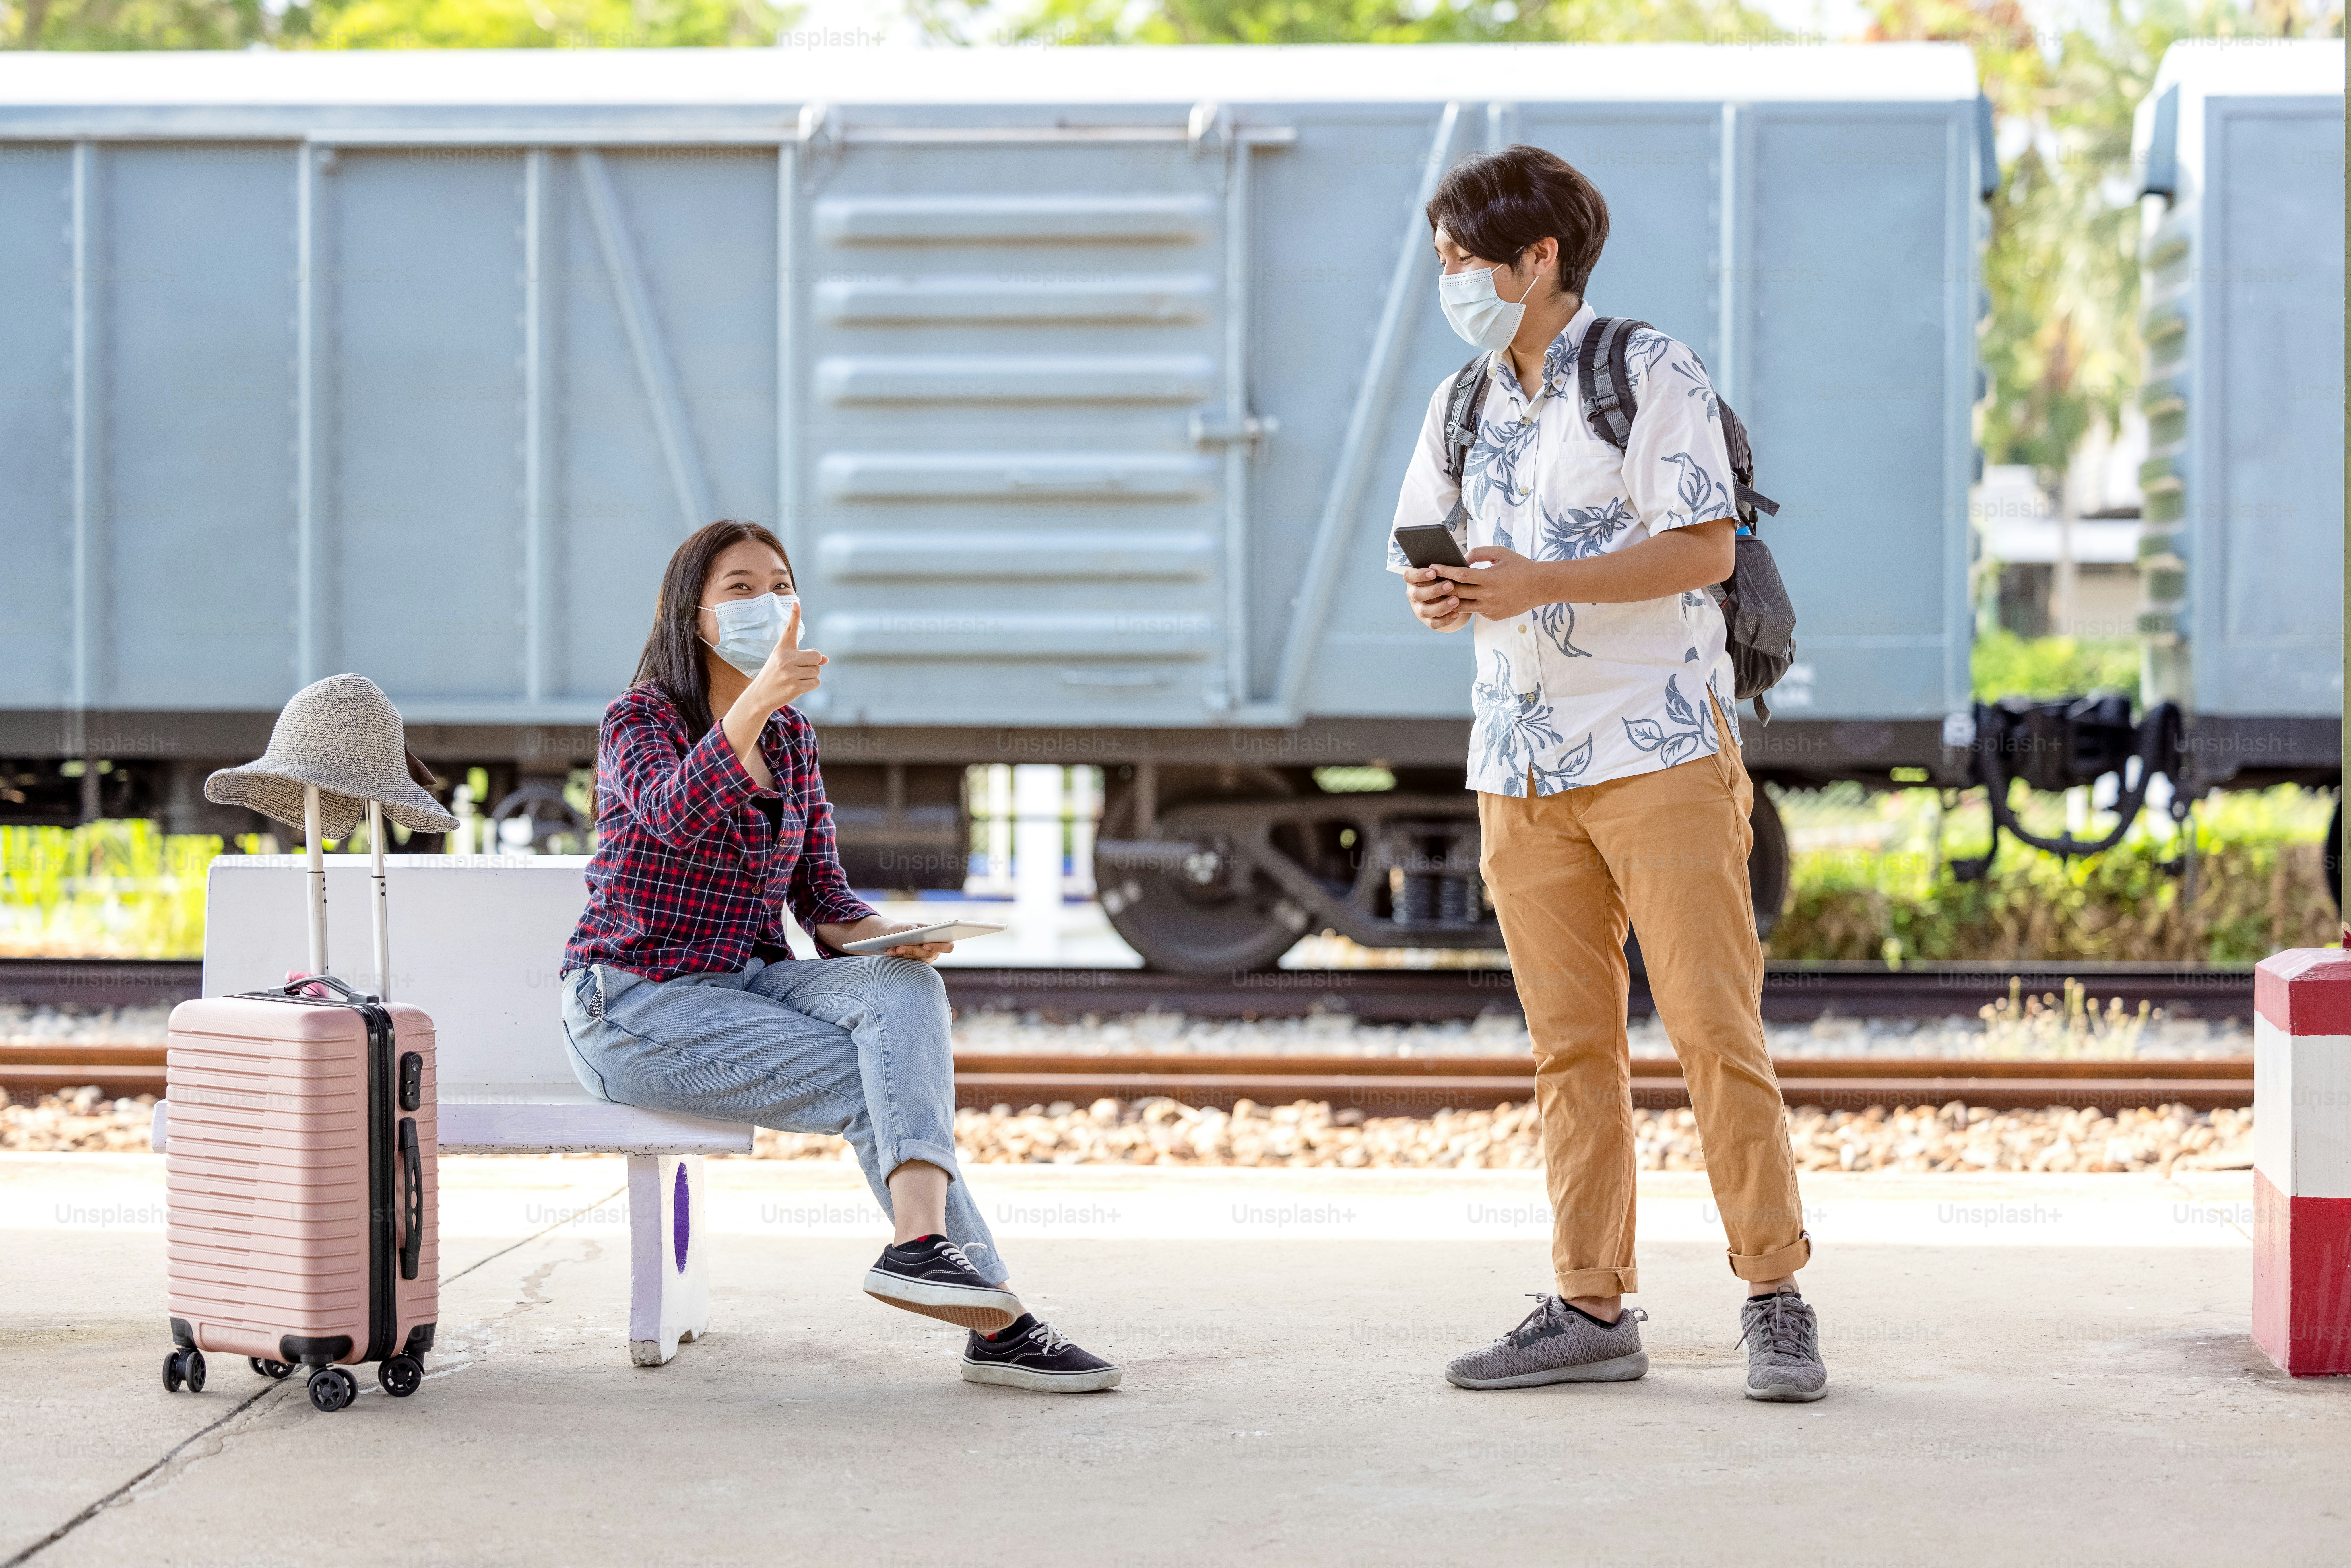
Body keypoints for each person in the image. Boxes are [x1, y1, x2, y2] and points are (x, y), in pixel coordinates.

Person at [1390, 146, 1826, 1402]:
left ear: (1540, 260)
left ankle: (1772, 1293)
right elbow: (1431, 559)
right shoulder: (1461, 402)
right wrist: (1445, 592)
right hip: (1515, 763)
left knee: (1708, 1027)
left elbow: (1698, 548)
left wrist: (1538, 581)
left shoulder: (1646, 372)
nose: (1450, 280)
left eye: (1465, 260)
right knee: (1567, 1047)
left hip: (1659, 751)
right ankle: (1589, 1302)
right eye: (1441, 262)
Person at [558, 519, 1118, 1393]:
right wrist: (755, 701)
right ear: (692, 616)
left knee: (907, 989)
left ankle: (921, 1247)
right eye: (739, 588)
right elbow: (672, 814)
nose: (766, 601)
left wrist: (889, 937)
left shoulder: (793, 741)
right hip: (632, 1004)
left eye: (779, 584)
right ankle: (998, 1321)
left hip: (746, 983)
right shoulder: (640, 720)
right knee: (891, 1086)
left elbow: (823, 900)